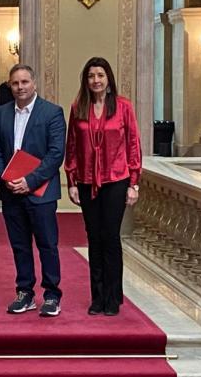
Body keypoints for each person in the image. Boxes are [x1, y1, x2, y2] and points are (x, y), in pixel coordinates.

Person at [64, 57, 142, 316]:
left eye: (100, 75)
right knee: (93, 238)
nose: (95, 80)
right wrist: (72, 182)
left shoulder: (123, 107)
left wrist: (134, 183)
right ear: (85, 81)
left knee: (110, 237)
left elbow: (133, 144)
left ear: (108, 79)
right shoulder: (78, 107)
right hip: (86, 181)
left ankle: (113, 296)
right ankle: (97, 297)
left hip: (116, 180)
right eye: (91, 76)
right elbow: (72, 147)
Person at [0, 64, 66, 317]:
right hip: (11, 191)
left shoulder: (52, 113)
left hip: (41, 192)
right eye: (15, 83)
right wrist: (5, 176)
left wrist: (29, 181)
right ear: (9, 86)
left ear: (34, 83)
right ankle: (25, 293)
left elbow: (55, 154)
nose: (20, 87)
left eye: (24, 82)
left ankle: (52, 295)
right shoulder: (1, 114)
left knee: (47, 244)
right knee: (20, 245)